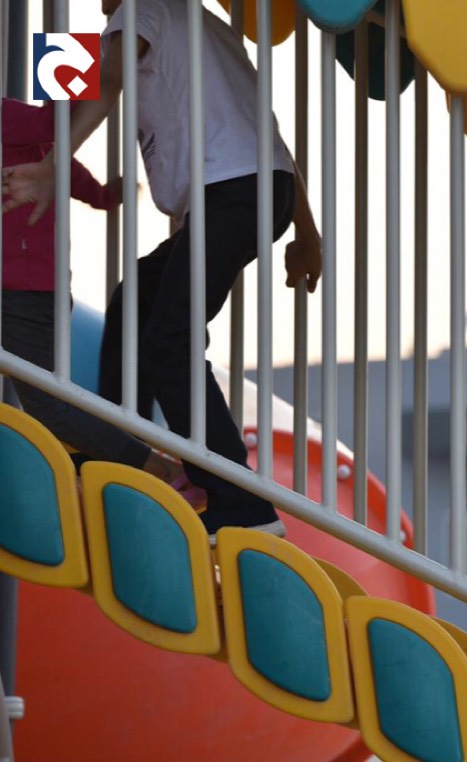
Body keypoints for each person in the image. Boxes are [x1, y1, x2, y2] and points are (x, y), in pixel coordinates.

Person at [2, 0, 321, 540]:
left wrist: (54, 166)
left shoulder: (141, 9)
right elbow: (267, 132)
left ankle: (244, 505)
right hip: (255, 190)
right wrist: (306, 231)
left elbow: (105, 84)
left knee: (169, 341)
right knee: (136, 299)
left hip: (232, 194)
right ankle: (135, 445)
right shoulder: (199, 25)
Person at [1, 96, 200, 497]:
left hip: (24, 293)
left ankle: (161, 471)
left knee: (52, 409)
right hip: (25, 289)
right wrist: (104, 195)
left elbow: (56, 127)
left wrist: (74, 59)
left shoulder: (8, 117)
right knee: (50, 407)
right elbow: (61, 158)